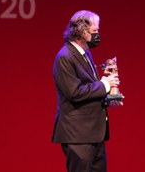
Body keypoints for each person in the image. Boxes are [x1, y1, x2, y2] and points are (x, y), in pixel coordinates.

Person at [52, 10, 122, 172]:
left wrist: (109, 97)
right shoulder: (65, 57)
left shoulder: (85, 54)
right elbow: (74, 92)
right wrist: (104, 84)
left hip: (93, 133)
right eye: (95, 31)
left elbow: (89, 88)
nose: (98, 35)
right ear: (82, 31)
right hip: (78, 135)